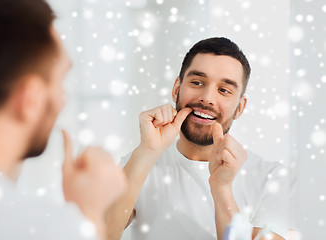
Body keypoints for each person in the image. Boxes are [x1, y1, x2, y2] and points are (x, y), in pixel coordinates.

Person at [0, 0, 126, 239]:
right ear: (30, 99)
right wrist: (89, 215)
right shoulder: (44, 230)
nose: (62, 100)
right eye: (60, 81)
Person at [106, 38, 289, 240]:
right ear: (177, 89)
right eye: (197, 82)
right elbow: (102, 234)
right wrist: (147, 152)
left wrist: (222, 190)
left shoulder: (272, 178)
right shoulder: (138, 163)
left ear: (240, 107)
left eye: (224, 90)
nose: (207, 98)